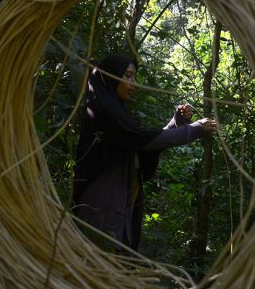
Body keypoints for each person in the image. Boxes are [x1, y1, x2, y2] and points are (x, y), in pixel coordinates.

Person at [73, 54, 218, 252]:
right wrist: (196, 129)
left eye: (134, 77)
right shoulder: (104, 112)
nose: (134, 84)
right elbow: (144, 140)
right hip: (101, 210)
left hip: (119, 208)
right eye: (128, 76)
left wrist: (176, 122)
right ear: (112, 76)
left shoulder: (117, 113)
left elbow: (142, 141)